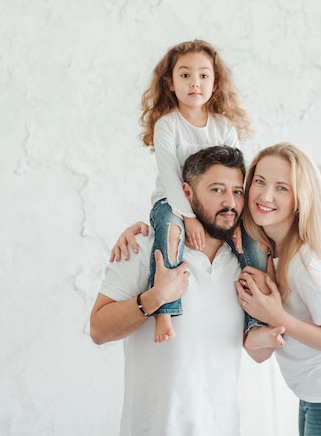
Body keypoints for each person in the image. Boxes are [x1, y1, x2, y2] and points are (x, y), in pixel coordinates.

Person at [91, 146, 249, 436]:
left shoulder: (243, 262)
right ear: (186, 194)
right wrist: (154, 298)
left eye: (238, 192)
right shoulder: (144, 248)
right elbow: (98, 329)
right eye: (217, 190)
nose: (230, 202)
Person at [119, 39, 266, 343]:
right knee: (169, 234)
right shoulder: (167, 126)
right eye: (185, 75)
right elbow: (170, 176)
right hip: (173, 203)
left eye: (203, 75)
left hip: (217, 205)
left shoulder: (223, 126)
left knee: (251, 243)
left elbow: (237, 174)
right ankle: (165, 310)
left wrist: (238, 218)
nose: (194, 83)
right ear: (170, 84)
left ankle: (257, 322)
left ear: (215, 83)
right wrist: (188, 217)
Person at [235, 142, 321, 435]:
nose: (265, 195)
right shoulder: (269, 252)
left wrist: (280, 318)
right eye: (259, 182)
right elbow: (260, 353)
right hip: (315, 392)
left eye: (282, 188)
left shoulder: (304, 265)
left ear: (300, 198)